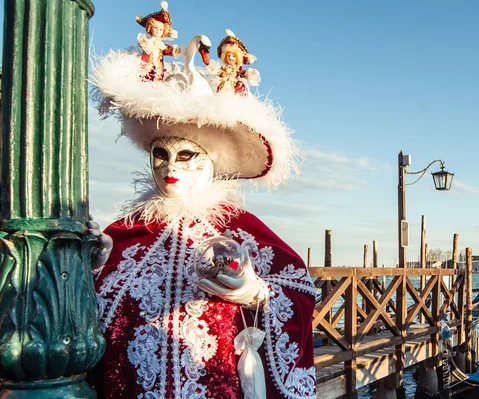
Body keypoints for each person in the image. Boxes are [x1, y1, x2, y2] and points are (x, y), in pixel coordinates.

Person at [90, 20, 317, 399]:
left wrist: (256, 293)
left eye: (185, 155)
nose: (170, 167)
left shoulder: (243, 231)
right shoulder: (122, 237)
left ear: (210, 160)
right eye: (159, 155)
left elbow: (299, 293)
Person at [206, 29, 260, 95]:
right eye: (228, 55)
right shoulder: (224, 68)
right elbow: (220, 72)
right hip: (224, 84)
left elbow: (242, 73)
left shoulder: (237, 69)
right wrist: (216, 70)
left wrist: (249, 74)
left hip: (234, 86)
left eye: (233, 56)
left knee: (239, 86)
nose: (230, 57)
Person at [136, 1, 180, 81]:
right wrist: (145, 43)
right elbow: (142, 46)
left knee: (157, 79)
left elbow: (166, 50)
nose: (158, 31)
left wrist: (174, 50)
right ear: (150, 27)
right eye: (155, 28)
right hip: (145, 70)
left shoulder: (161, 45)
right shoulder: (147, 41)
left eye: (161, 29)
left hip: (158, 71)